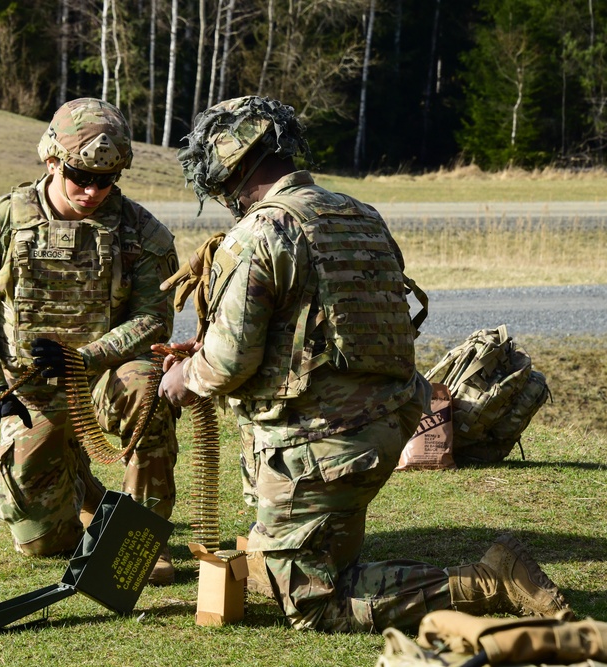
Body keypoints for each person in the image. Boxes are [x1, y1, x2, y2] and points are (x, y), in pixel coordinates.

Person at [156, 96, 571, 631]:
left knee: (311, 602)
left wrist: (183, 377)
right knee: (281, 560)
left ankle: (491, 579)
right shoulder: (358, 214)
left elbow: (229, 362)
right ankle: (317, 550)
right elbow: (325, 324)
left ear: (229, 164)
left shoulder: (260, 233)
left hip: (323, 445)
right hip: (385, 423)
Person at [0, 98, 181, 584]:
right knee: (41, 543)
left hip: (102, 381)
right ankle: (84, 489)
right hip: (31, 392)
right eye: (81, 176)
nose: (93, 191)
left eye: (107, 180)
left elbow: (153, 321)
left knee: (148, 389)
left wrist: (86, 357)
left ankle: (139, 538)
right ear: (51, 161)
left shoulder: (142, 232)